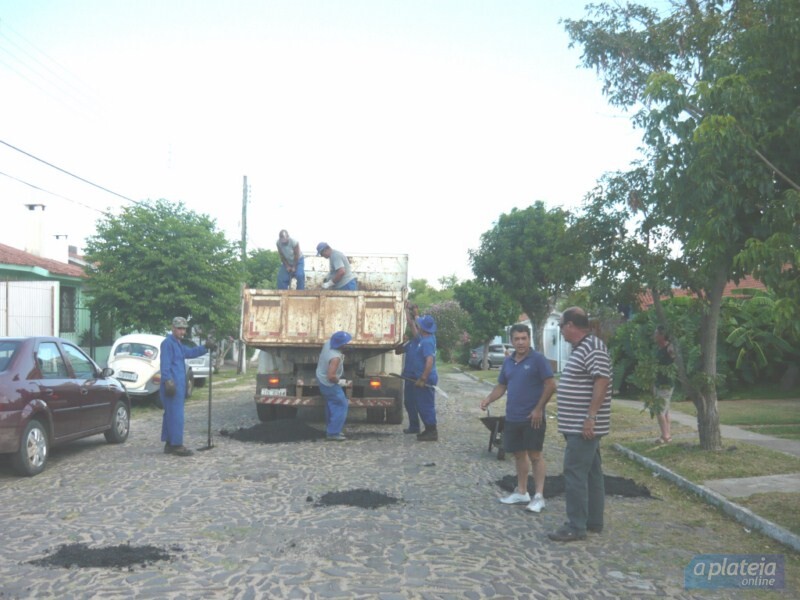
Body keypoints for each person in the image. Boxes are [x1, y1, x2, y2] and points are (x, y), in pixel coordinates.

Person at [548, 307, 612, 542]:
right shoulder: (582, 348)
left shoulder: (593, 347)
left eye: (561, 325)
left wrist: (590, 417)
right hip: (578, 425)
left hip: (582, 426)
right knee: (592, 473)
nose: (561, 330)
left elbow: (602, 380)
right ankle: (593, 521)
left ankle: (576, 526)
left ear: (570, 326)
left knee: (574, 473)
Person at [480, 324, 556, 513]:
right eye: (517, 339)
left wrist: (539, 409)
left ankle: (538, 496)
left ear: (529, 339)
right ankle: (522, 491)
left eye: (524, 338)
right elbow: (501, 386)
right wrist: (489, 399)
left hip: (533, 417)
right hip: (513, 416)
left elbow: (550, 385)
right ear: (512, 340)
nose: (520, 342)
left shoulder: (538, 360)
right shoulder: (508, 362)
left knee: (535, 455)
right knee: (518, 454)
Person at [160, 317, 215, 457]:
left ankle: (169, 443)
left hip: (178, 384)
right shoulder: (167, 343)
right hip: (172, 385)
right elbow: (165, 364)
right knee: (176, 415)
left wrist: (205, 347)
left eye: (184, 329)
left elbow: (190, 353)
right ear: (173, 328)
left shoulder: (178, 344)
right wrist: (167, 381)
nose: (182, 331)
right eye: (179, 328)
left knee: (170, 415)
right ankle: (177, 445)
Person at [316, 330, 353, 441]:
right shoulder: (335, 358)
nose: (347, 344)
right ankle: (333, 433)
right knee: (341, 404)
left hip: (320, 376)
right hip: (328, 383)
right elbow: (331, 376)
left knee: (331, 403)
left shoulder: (328, 343)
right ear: (341, 345)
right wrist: (339, 382)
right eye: (346, 343)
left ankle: (331, 428)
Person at [394, 302, 423, 434]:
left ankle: (426, 427)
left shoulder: (421, 340)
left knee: (420, 403)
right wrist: (401, 341)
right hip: (408, 377)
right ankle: (414, 426)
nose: (413, 330)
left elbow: (412, 324)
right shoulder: (411, 343)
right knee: (409, 402)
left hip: (418, 377)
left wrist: (411, 311)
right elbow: (398, 351)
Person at [653, 325, 676, 444]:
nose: (654, 335)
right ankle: (667, 435)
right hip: (658, 383)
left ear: (662, 336)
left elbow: (674, 357)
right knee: (665, 411)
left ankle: (666, 436)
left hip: (666, 384)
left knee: (659, 410)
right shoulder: (659, 349)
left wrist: (672, 351)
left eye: (656, 333)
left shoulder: (669, 348)